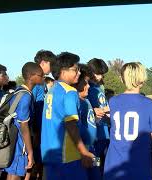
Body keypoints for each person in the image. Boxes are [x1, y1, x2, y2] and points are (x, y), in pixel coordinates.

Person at [41, 52, 94, 180]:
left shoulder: (52, 90)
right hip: (67, 155)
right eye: (76, 69)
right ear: (63, 71)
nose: (79, 73)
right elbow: (71, 124)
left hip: (49, 153)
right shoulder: (69, 92)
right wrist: (83, 151)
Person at [103, 62, 152, 180]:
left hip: (114, 163)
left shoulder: (113, 101)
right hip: (138, 163)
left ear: (122, 79)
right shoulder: (149, 104)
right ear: (142, 78)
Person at [4, 62, 44, 180]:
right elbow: (24, 126)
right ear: (31, 76)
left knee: (11, 174)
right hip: (20, 142)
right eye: (41, 75)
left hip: (13, 139)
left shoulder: (18, 91)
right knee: (15, 176)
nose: (43, 78)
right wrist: (30, 152)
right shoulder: (26, 96)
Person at [31, 50, 56, 179]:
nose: (52, 67)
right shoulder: (36, 82)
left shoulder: (42, 82)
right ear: (43, 62)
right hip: (36, 130)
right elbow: (35, 107)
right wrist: (36, 131)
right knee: (33, 164)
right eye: (51, 64)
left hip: (40, 129)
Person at [72, 77, 101, 180]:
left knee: (97, 174)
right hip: (84, 149)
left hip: (93, 148)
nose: (88, 86)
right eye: (85, 83)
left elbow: (90, 122)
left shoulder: (87, 101)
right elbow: (75, 127)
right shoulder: (76, 103)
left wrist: (97, 117)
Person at [86, 58, 110, 175]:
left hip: (104, 133)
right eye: (98, 74)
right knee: (95, 167)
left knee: (103, 166)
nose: (100, 77)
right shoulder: (86, 88)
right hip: (94, 136)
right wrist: (94, 110)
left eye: (102, 74)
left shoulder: (98, 88)